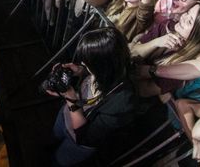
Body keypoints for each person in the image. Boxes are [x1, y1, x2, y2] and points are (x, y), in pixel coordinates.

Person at [45, 27, 137, 166]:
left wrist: (70, 98)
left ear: (102, 66)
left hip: (77, 142)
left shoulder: (123, 102)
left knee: (58, 161)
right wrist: (80, 71)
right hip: (66, 115)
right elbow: (94, 73)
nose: (83, 63)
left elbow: (84, 137)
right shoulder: (108, 70)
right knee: (54, 139)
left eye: (88, 63)